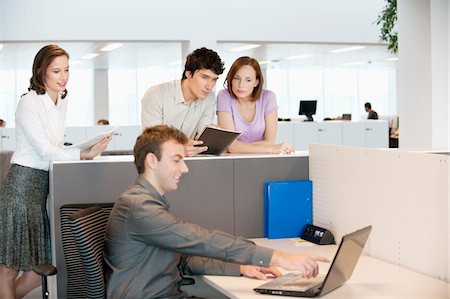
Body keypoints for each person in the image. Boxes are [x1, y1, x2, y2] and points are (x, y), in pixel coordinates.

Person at [104, 125, 329, 298]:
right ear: (152, 161)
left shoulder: (148, 201)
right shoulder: (138, 206)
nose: (184, 168)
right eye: (176, 160)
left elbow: (182, 258)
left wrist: (240, 267)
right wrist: (279, 258)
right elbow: (201, 240)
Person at [0, 44, 111, 298]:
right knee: (8, 269)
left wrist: (84, 148)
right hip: (21, 187)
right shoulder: (28, 103)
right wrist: (82, 154)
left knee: (36, 272)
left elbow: (56, 146)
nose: (63, 77)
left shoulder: (61, 101)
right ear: (41, 73)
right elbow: (44, 150)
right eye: (56, 71)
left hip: (41, 190)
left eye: (67, 70)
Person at [141, 47, 225, 156]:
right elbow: (152, 141)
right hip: (157, 162)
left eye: (214, 79)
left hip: (190, 163)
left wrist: (214, 135)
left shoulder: (209, 98)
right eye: (204, 77)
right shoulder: (156, 94)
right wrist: (179, 148)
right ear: (188, 73)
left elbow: (202, 135)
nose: (210, 86)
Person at [217, 56, 294, 154]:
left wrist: (240, 146)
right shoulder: (224, 96)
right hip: (233, 160)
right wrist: (271, 148)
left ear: (256, 82)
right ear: (231, 79)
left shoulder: (268, 97)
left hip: (260, 159)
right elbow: (232, 147)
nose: (241, 85)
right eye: (236, 78)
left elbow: (270, 142)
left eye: (248, 80)